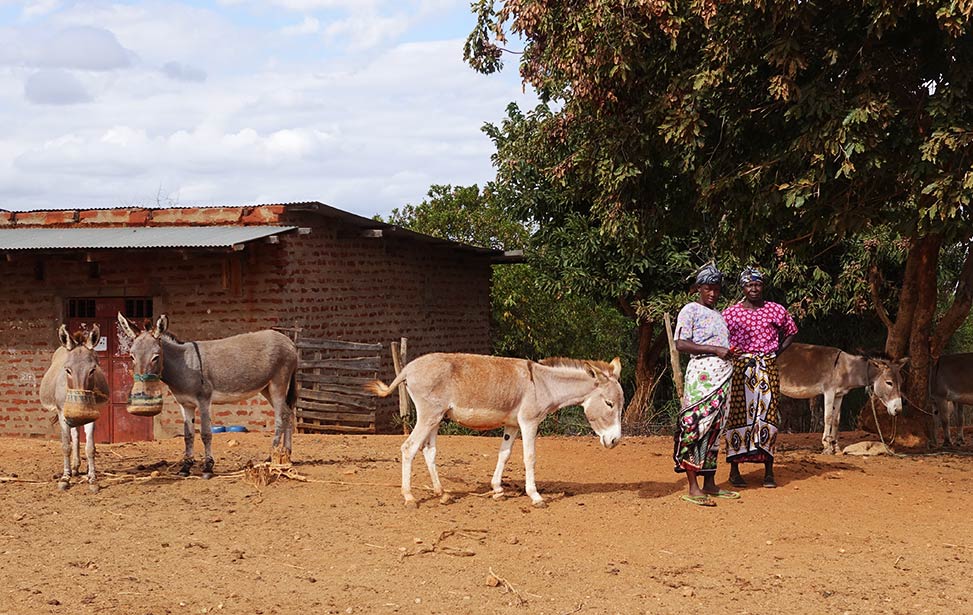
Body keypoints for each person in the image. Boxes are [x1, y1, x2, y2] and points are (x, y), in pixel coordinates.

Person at [722, 266, 798, 488]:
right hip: (741, 369)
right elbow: (721, 337)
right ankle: (734, 471)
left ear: (762, 286)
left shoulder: (776, 310)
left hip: (767, 367)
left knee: (768, 415)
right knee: (737, 415)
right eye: (749, 285)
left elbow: (791, 331)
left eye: (757, 285)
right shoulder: (731, 313)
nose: (753, 289)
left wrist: (776, 352)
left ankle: (769, 472)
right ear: (742, 288)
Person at [672, 264, 740, 506]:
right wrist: (715, 350)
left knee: (716, 428)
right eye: (708, 288)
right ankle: (693, 487)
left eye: (717, 289)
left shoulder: (719, 316)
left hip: (722, 376)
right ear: (698, 288)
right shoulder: (690, 310)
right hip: (702, 376)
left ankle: (710, 483)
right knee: (697, 426)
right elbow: (681, 344)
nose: (713, 293)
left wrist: (729, 353)